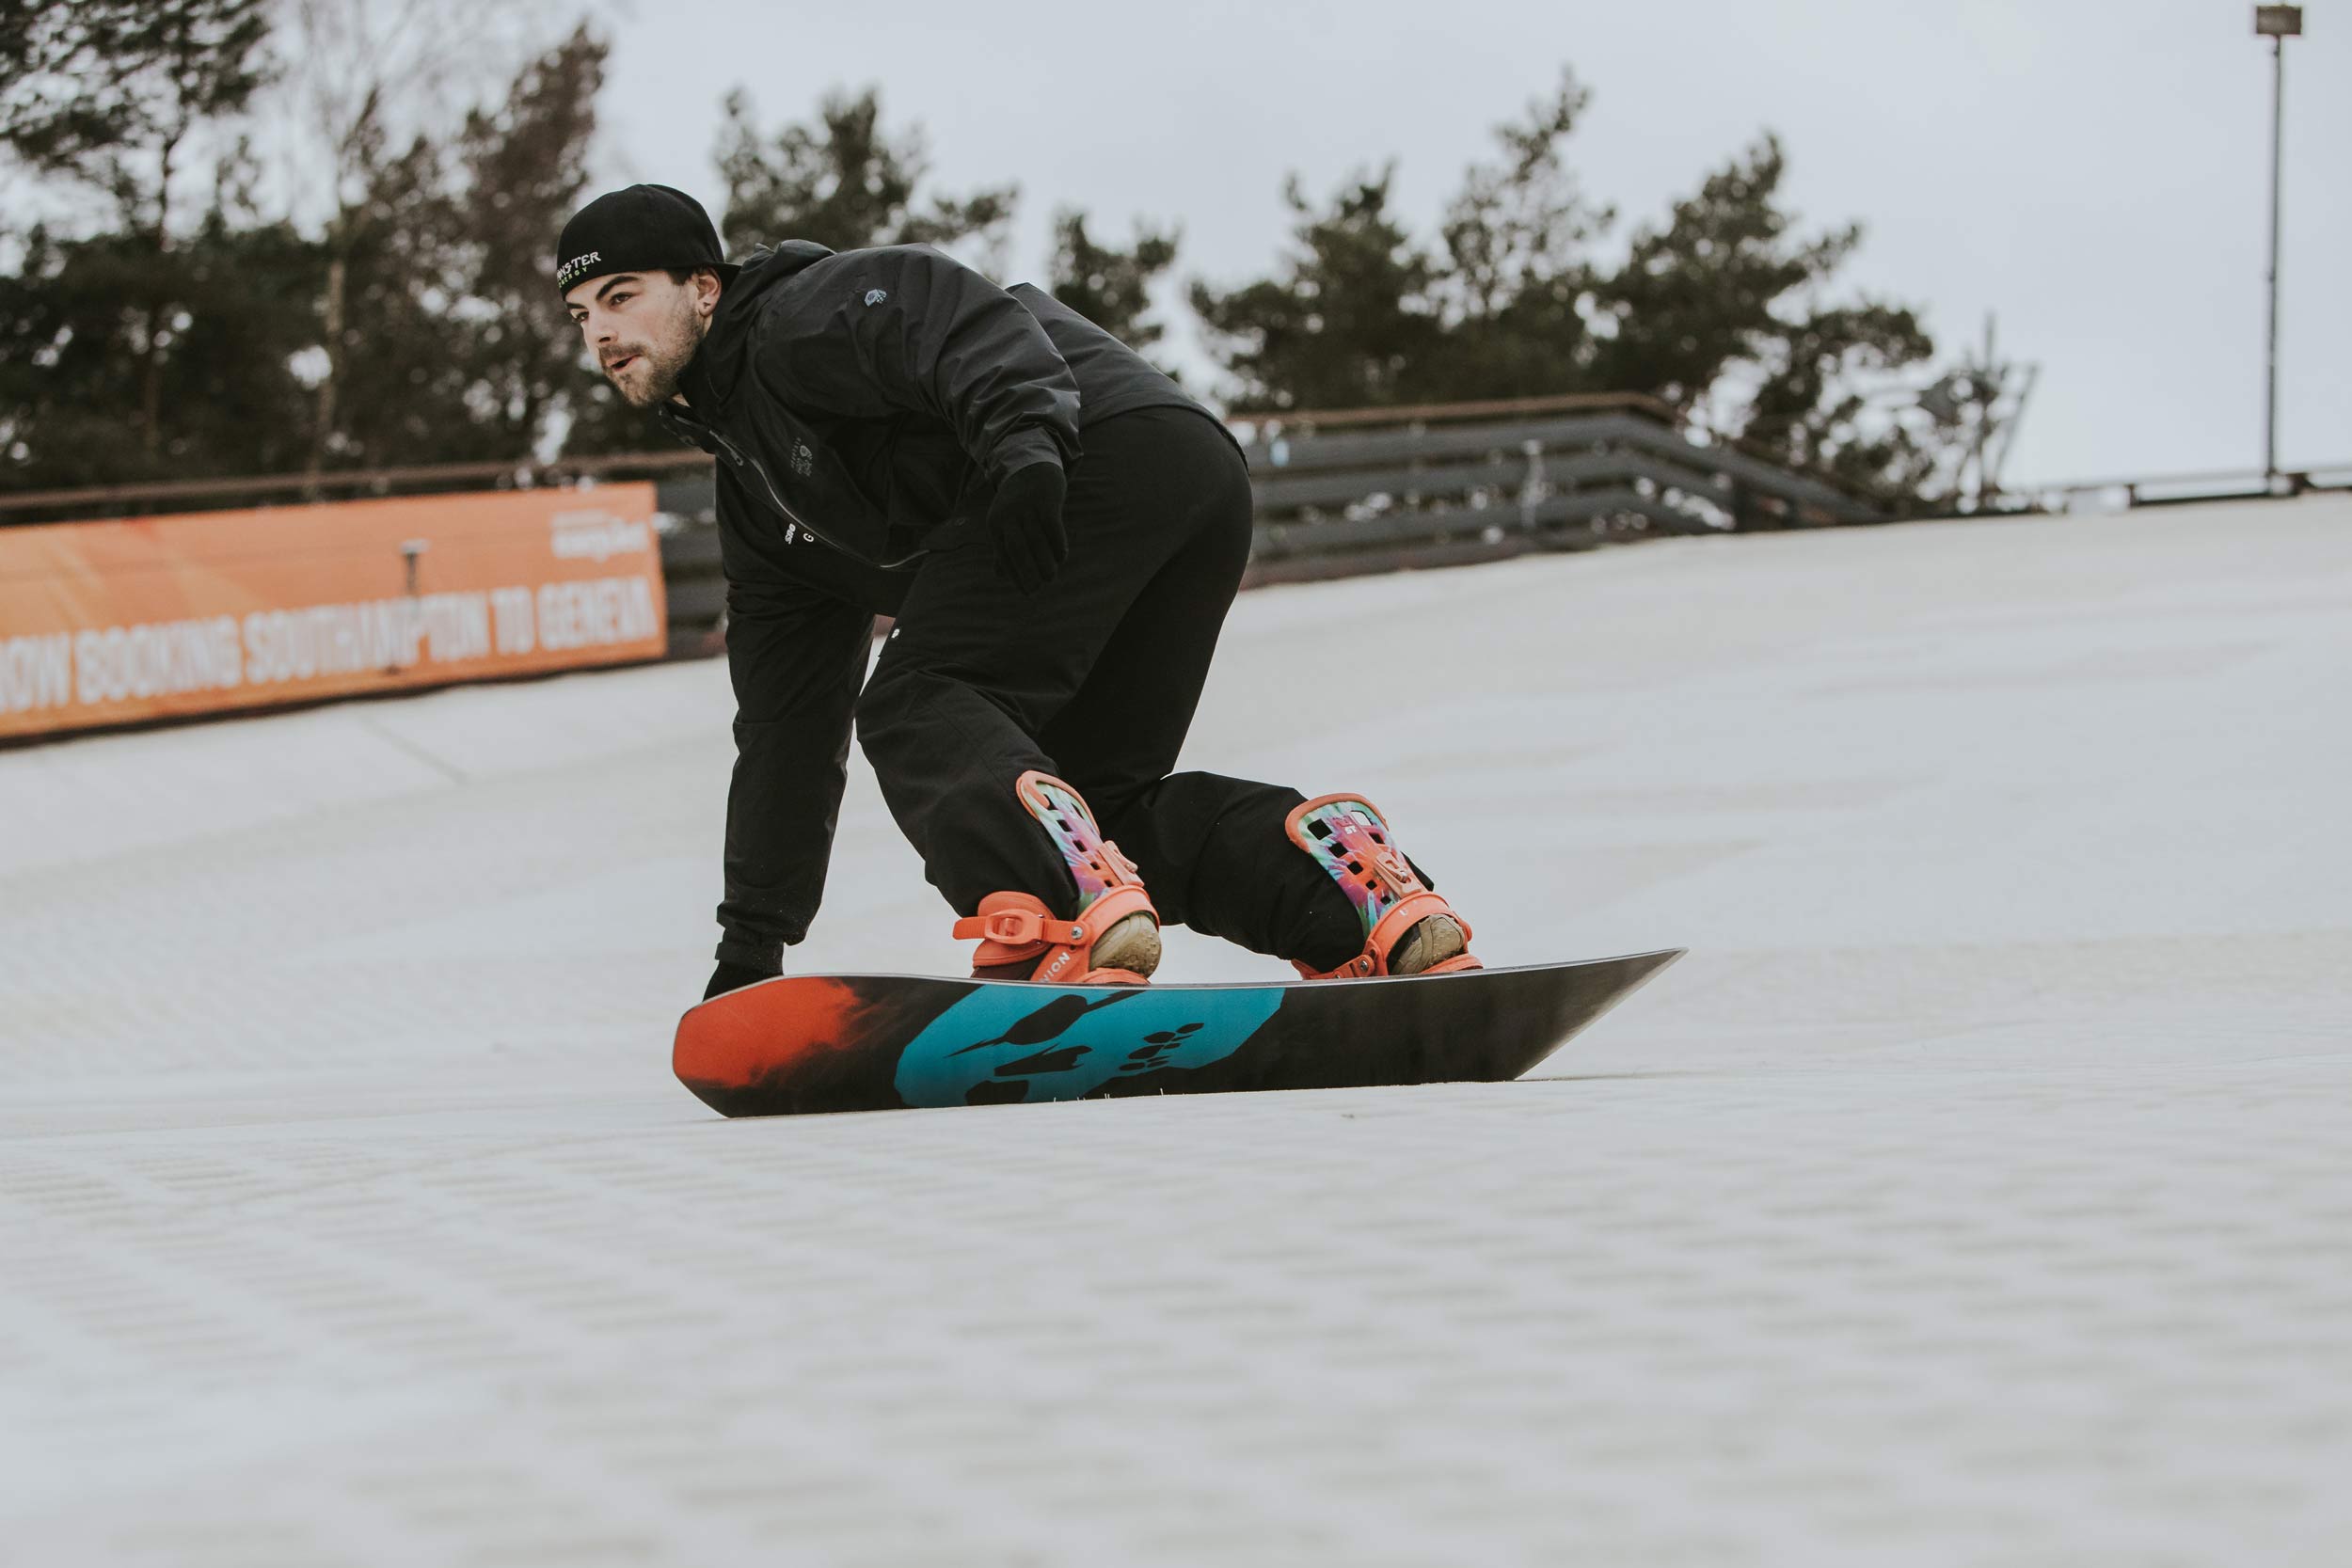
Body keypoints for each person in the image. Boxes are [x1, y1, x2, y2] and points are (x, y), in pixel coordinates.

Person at [554, 184, 1480, 1000]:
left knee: (919, 700)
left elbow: (948, 308)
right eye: (581, 313)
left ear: (704, 289)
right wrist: (751, 940)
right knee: (1090, 804)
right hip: (1182, 475)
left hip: (1089, 448)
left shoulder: (793, 318)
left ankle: (1054, 920)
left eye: (623, 296)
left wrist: (1026, 445)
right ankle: (1353, 894)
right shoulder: (761, 507)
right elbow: (784, 730)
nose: (601, 332)